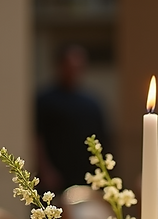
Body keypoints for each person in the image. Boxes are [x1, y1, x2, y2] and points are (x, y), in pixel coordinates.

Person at [36, 44, 110, 195]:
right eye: (70, 66)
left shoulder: (92, 103)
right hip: (57, 176)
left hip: (85, 174)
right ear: (60, 65)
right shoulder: (45, 100)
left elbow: (103, 139)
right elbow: (37, 138)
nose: (74, 71)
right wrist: (45, 170)